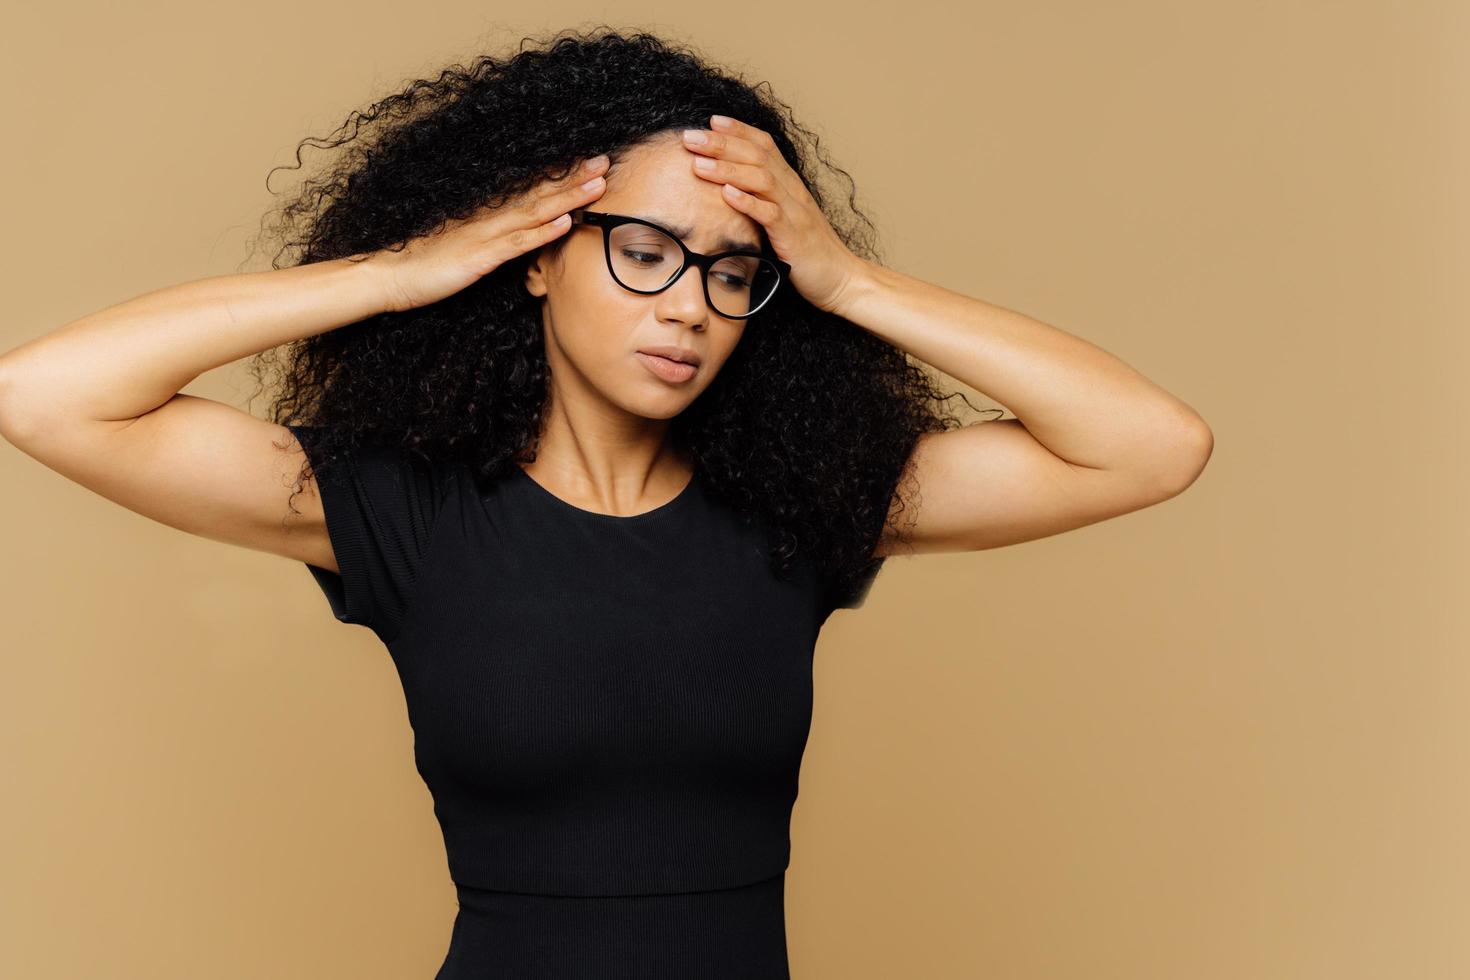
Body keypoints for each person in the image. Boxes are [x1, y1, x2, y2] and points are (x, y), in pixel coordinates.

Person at [0, 27, 1212, 980]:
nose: (687, 305)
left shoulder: (798, 509)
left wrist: (847, 277)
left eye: (734, 271)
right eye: (644, 250)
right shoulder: (403, 514)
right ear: (534, 254)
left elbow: (1151, 446)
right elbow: (48, 396)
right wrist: (396, 272)